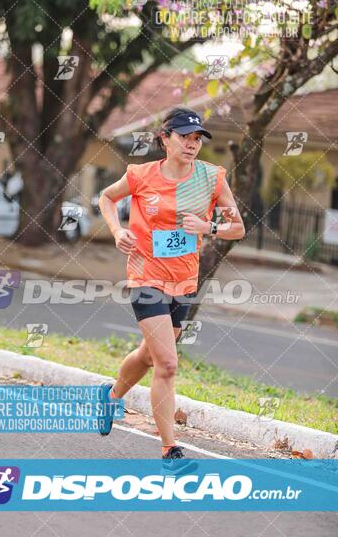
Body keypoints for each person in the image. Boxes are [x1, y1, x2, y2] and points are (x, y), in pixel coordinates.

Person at [98, 106, 245, 470]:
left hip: (184, 279)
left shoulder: (212, 178)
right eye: (185, 137)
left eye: (197, 139)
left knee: (150, 355)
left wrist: (209, 228)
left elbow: (238, 228)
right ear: (165, 139)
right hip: (145, 274)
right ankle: (170, 451)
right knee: (166, 363)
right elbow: (106, 198)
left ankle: (111, 396)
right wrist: (118, 231)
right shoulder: (140, 175)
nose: (192, 145)